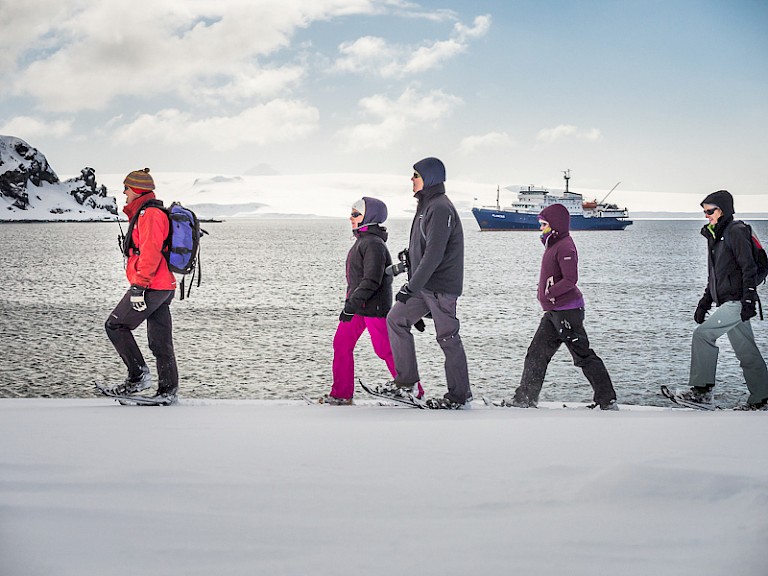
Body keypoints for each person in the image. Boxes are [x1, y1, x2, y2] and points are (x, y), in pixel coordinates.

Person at [507, 203, 618, 410]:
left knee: (582, 355)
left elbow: (570, 279)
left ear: (555, 225)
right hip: (553, 312)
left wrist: (549, 293)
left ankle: (607, 400)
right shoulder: (553, 244)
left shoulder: (565, 246)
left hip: (568, 311)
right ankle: (525, 399)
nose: (540, 228)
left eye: (544, 224)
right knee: (536, 354)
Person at [382, 157, 472, 409]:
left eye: (415, 175)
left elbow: (435, 254)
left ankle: (460, 396)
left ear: (429, 177)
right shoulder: (426, 205)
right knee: (396, 319)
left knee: (447, 337)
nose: (411, 180)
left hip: (441, 286)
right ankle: (406, 381)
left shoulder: (441, 207)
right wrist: (409, 257)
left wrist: (409, 288)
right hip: (423, 285)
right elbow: (424, 248)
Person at [677, 190, 768, 410]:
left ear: (723, 210)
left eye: (710, 211)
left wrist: (747, 301)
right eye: (704, 211)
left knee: (703, 336)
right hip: (728, 300)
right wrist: (704, 302)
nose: (706, 215)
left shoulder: (735, 231)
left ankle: (701, 392)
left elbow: (748, 267)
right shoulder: (715, 235)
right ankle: (762, 398)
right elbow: (715, 275)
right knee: (747, 351)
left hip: (737, 300)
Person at [104, 168, 179, 403]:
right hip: (161, 285)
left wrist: (139, 286)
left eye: (126, 188)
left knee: (115, 326)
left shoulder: (150, 215)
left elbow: (150, 252)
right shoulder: (146, 213)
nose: (124, 193)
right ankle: (167, 391)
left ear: (137, 190)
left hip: (152, 286)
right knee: (160, 341)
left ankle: (138, 377)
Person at [324, 197, 398, 405]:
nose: (351, 217)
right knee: (341, 344)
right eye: (352, 213)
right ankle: (341, 394)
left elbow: (372, 280)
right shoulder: (363, 241)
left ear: (370, 217)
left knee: (385, 349)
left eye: (356, 214)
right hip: (358, 306)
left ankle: (413, 390)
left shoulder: (373, 244)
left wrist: (351, 305)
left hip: (373, 308)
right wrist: (352, 304)